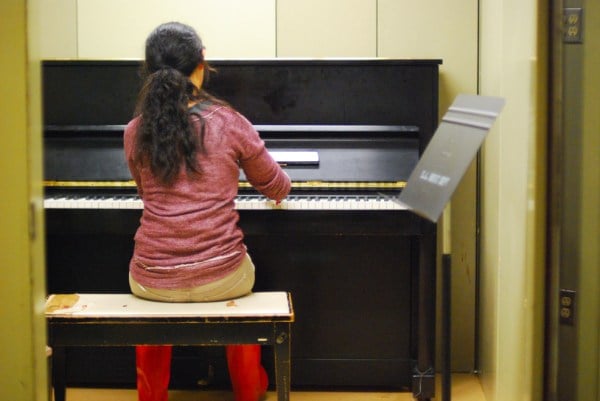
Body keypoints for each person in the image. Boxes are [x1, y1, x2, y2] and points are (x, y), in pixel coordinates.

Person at [123, 21, 291, 401]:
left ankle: (152, 394)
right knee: (241, 270)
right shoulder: (230, 123)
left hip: (151, 278)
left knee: (153, 297)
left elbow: (145, 192)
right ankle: (251, 389)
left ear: (148, 70)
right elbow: (277, 187)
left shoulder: (135, 130)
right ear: (202, 63)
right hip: (223, 277)